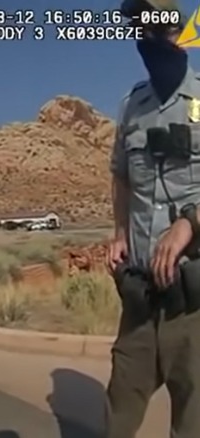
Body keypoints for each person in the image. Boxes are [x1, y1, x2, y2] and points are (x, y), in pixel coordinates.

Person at [106, 1, 200, 437]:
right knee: (118, 417)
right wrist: (120, 231)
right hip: (140, 298)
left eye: (146, 22)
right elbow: (121, 176)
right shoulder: (130, 106)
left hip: (193, 306)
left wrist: (190, 224)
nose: (139, 33)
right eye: (134, 24)